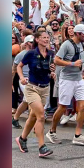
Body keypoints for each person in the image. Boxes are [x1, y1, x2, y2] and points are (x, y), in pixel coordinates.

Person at [47, 24, 84, 146]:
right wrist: (72, 64)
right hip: (66, 79)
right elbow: (56, 60)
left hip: (78, 79)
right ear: (77, 34)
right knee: (63, 107)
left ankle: (77, 135)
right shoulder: (66, 44)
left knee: (83, 105)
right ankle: (52, 131)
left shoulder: (82, 44)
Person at [14, 29, 54, 158]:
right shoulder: (30, 54)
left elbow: (49, 69)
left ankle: (22, 138)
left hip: (45, 88)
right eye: (43, 37)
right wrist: (21, 77)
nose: (46, 39)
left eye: (47, 37)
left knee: (33, 116)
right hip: (32, 88)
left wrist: (52, 72)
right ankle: (42, 147)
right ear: (37, 39)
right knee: (41, 116)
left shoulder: (51, 54)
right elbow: (19, 66)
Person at [11, 35, 34, 129]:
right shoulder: (20, 55)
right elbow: (13, 69)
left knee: (25, 101)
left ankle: (15, 118)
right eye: (31, 42)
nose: (33, 44)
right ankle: (33, 124)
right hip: (24, 79)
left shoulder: (37, 52)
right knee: (32, 100)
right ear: (26, 43)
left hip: (34, 80)